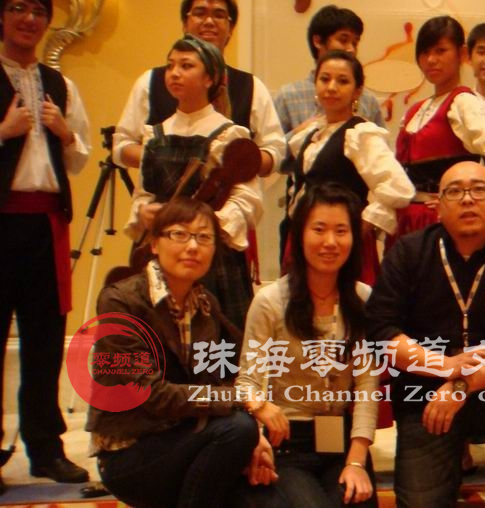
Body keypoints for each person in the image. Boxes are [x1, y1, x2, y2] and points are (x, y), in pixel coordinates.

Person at [366, 161, 485, 507]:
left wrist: (460, 384)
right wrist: (446, 367)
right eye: (454, 191)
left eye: (480, 190)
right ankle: (446, 473)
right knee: (420, 503)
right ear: (438, 207)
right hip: (425, 395)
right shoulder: (408, 252)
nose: (468, 199)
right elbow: (382, 331)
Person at [88, 197, 276, 508]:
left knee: (260, 491)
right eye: (179, 234)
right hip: (130, 453)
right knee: (236, 431)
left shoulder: (205, 304)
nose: (192, 246)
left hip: (186, 438)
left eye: (204, 237)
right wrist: (244, 402)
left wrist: (256, 436)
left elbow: (215, 383)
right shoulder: (120, 302)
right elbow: (153, 395)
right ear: (153, 243)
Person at [0, 0, 90, 489]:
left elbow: (78, 160)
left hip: (46, 223)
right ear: (2, 16)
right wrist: (3, 132)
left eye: (37, 11)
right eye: (18, 9)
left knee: (45, 341)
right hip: (0, 220)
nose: (29, 19)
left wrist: (64, 132)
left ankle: (46, 448)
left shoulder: (61, 85)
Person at [237, 184, 378, 507]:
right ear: (299, 236)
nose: (330, 242)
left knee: (356, 499)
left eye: (341, 231)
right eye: (319, 229)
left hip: (342, 443)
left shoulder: (363, 298)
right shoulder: (271, 301)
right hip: (287, 443)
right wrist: (259, 415)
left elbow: (367, 386)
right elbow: (248, 381)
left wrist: (357, 461)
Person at [124, 35, 262, 331]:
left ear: (209, 78)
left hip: (212, 255)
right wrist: (143, 212)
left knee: (214, 343)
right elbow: (144, 193)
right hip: (162, 251)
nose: (174, 73)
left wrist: (208, 225)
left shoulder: (229, 134)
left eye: (186, 66)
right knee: (159, 338)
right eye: (170, 65)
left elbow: (247, 199)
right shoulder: (154, 135)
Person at [113, 0, 284, 177]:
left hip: (232, 193)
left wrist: (232, 165)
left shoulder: (251, 86)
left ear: (231, 29)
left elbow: (275, 150)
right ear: (185, 24)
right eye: (199, 13)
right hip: (163, 195)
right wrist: (166, 160)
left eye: (219, 15)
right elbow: (122, 145)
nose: (209, 21)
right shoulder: (150, 82)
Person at [285, 50, 413, 282]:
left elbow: (398, 188)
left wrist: (360, 226)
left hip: (344, 246)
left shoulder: (361, 134)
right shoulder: (311, 134)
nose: (331, 87)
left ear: (357, 90)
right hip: (306, 241)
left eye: (342, 81)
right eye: (325, 79)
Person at [395, 15, 485, 236]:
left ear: (462, 54)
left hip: (446, 222)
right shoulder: (415, 110)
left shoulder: (464, 103)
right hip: (408, 219)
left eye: (440, 51)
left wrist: (468, 196)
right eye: (425, 52)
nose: (431, 60)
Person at [275, 5, 384, 137]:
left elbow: (383, 145)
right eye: (343, 40)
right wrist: (298, 135)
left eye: (355, 43)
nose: (351, 49)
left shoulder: (367, 100)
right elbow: (272, 147)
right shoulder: (289, 96)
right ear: (318, 41)